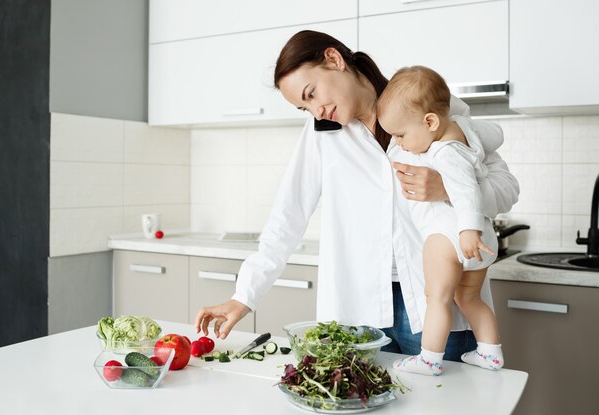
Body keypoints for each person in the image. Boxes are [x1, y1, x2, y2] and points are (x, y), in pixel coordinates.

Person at [194, 30, 519, 362]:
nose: (317, 111)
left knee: (446, 405)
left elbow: (508, 188)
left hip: (436, 303)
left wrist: (445, 187)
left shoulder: (422, 100)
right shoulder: (322, 135)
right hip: (359, 312)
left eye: (312, 93)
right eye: (305, 107)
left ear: (334, 60)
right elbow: (286, 217)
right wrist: (243, 297)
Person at [376, 65, 504, 375]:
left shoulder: (446, 151)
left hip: (451, 236)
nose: (400, 142)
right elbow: (496, 134)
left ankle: (430, 358)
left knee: (437, 298)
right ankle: (490, 352)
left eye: (401, 135)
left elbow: (465, 191)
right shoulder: (463, 131)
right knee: (469, 298)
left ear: (430, 121)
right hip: (480, 238)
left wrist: (467, 231)